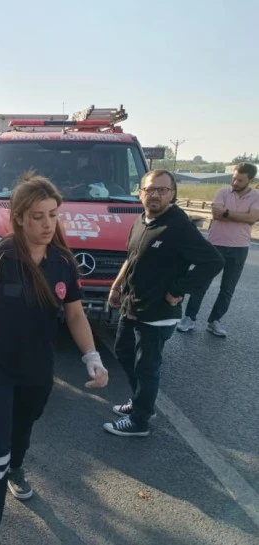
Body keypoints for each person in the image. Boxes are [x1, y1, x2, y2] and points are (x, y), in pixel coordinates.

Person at [0, 171, 109, 545]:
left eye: (53, 215)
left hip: (36, 371)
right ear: (21, 218)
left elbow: (74, 314)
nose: (47, 224)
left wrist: (91, 355)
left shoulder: (62, 262)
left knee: (20, 433)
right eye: (38, 216)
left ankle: (17, 467)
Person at [105, 170, 223, 437]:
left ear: (172, 193)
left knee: (146, 367)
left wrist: (178, 291)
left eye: (162, 190)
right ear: (140, 192)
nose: (155, 195)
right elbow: (131, 257)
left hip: (158, 311)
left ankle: (140, 421)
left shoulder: (178, 226)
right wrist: (116, 285)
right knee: (123, 352)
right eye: (150, 190)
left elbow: (213, 261)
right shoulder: (141, 221)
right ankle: (141, 401)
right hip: (132, 304)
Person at [177, 162, 259, 336]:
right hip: (215, 246)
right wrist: (242, 217)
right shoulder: (222, 192)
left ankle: (214, 321)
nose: (235, 182)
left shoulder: (256, 196)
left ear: (250, 180)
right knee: (201, 284)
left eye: (240, 180)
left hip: (239, 248)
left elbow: (253, 218)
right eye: (234, 178)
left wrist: (227, 214)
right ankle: (190, 318)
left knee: (227, 289)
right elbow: (216, 214)